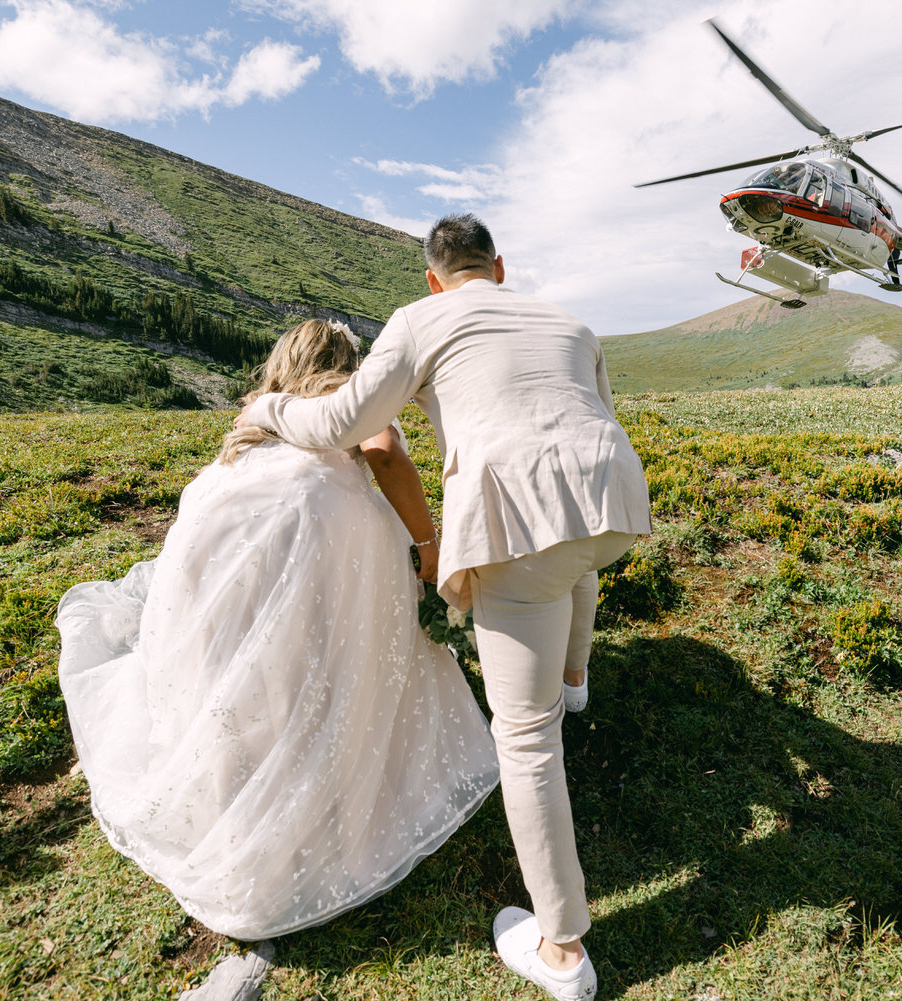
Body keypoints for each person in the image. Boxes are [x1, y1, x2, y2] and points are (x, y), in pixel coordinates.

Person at [236, 214, 651, 1001]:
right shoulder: (569, 320)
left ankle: (563, 951)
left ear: (433, 277)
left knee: (525, 739)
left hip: (512, 519)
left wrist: (265, 411)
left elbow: (340, 422)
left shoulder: (420, 319)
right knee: (577, 553)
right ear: (499, 265)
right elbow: (591, 415)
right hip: (614, 496)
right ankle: (574, 675)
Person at [55, 318, 500, 943]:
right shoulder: (349, 398)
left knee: (245, 675)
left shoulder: (259, 415)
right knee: (320, 662)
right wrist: (427, 545)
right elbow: (386, 453)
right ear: (346, 362)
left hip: (215, 543)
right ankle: (325, 802)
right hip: (305, 539)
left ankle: (242, 801)